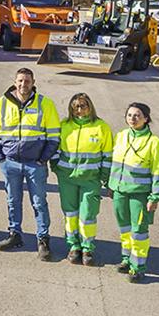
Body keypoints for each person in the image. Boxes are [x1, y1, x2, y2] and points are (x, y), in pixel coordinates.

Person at [0, 67, 61, 260]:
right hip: (10, 163)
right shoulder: (1, 103)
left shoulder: (45, 104)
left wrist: (42, 159)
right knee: (13, 201)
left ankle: (43, 240)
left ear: (33, 82)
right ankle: (15, 235)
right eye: (20, 81)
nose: (23, 84)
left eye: (27, 81)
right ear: (15, 81)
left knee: (39, 203)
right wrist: (0, 157)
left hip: (35, 165)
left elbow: (54, 136)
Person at [54, 93, 113, 265]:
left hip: (90, 180)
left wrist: (104, 178)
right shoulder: (64, 125)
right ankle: (74, 246)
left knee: (88, 215)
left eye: (83, 105)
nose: (80, 110)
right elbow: (55, 148)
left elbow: (108, 155)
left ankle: (88, 248)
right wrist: (56, 167)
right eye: (76, 107)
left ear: (90, 106)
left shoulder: (101, 127)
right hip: (67, 179)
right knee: (70, 214)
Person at [110, 102, 159, 283]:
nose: (133, 118)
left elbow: (158, 171)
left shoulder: (154, 142)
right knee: (124, 228)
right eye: (129, 115)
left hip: (139, 194)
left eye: (137, 115)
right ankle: (126, 259)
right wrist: (111, 185)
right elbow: (114, 162)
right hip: (119, 190)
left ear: (146, 119)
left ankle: (138, 267)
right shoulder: (121, 136)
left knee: (139, 231)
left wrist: (155, 197)